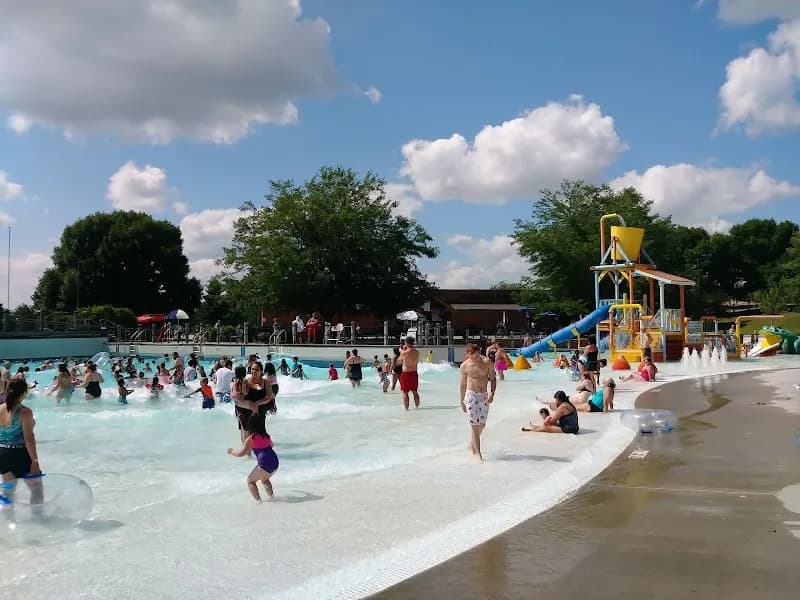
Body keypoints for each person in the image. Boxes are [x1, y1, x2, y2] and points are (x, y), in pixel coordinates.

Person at [0, 380, 42, 504]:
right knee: (36, 490)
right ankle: (38, 520)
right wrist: (34, 461)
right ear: (23, 393)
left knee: (8, 492)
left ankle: (9, 520)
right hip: (19, 453)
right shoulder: (25, 412)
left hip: (2, 453)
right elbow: (29, 438)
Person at [227, 413, 278, 502]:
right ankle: (272, 497)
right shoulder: (267, 435)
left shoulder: (251, 439)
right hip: (275, 462)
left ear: (250, 426)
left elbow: (241, 453)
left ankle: (258, 501)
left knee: (250, 481)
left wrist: (231, 451)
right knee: (265, 479)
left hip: (264, 464)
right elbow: (272, 445)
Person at [459, 343, 497, 461]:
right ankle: (478, 455)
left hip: (484, 395)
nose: (474, 359)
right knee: (474, 425)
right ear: (468, 354)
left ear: (479, 353)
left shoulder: (487, 363)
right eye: (471, 357)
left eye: (476, 356)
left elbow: (493, 378)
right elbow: (463, 384)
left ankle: (472, 444)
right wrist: (461, 401)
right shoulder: (464, 366)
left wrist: (492, 393)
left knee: (482, 424)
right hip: (471, 395)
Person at [399, 337, 421, 409]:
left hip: (406, 373)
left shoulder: (405, 352)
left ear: (407, 343)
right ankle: (417, 407)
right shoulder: (417, 352)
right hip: (414, 372)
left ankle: (406, 409)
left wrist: (401, 349)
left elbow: (400, 358)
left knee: (405, 392)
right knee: (415, 391)